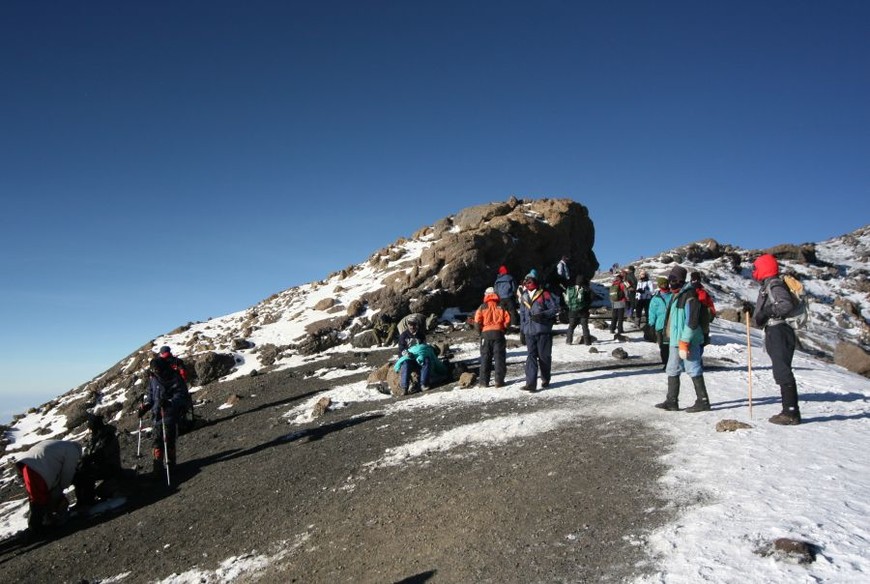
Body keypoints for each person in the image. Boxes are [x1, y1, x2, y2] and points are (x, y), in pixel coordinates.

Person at [751, 254, 802, 425]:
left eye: (756, 268)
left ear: (764, 268)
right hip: (775, 330)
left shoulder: (774, 285)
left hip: (780, 330)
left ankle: (791, 412)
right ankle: (788, 410)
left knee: (782, 370)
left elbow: (785, 304)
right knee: (780, 370)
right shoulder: (769, 285)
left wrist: (766, 312)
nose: (754, 271)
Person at [655, 265, 711, 413]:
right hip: (675, 340)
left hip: (688, 340)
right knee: (672, 368)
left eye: (674, 279)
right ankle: (671, 401)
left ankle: (703, 401)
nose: (671, 282)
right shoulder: (676, 295)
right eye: (670, 279)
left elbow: (692, 322)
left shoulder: (690, 296)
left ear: (681, 280)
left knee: (693, 368)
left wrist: (684, 341)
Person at [138, 347, 191, 479]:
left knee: (168, 440)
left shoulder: (174, 377)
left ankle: (171, 466)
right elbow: (151, 394)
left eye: (156, 370)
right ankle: (157, 469)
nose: (155, 372)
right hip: (157, 413)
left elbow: (181, 394)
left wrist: (169, 402)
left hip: (170, 413)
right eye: (153, 370)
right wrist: (146, 406)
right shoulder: (154, 378)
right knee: (157, 441)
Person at [14, 440, 82, 536]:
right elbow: (68, 473)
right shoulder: (73, 451)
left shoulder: (59, 444)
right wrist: (61, 488)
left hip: (25, 465)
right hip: (37, 471)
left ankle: (42, 522)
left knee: (36, 497)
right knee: (39, 499)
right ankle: (37, 529)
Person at [518, 273, 559, 391]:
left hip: (543, 330)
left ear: (535, 281)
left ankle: (545, 378)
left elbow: (555, 309)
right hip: (529, 331)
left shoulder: (544, 294)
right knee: (531, 356)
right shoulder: (524, 296)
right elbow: (522, 315)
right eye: (526, 282)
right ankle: (530, 383)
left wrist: (543, 315)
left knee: (544, 357)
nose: (527, 283)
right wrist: (522, 330)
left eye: (530, 281)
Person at [73, 413, 123, 507]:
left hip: (111, 466)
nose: (90, 428)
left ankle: (88, 501)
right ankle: (82, 501)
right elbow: (88, 453)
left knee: (86, 473)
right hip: (100, 465)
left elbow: (102, 453)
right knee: (79, 472)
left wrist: (88, 459)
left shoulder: (108, 436)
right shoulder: (95, 437)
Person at [473, 287, 511, 387]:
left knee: (485, 358)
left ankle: (483, 382)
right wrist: (504, 330)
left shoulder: (482, 307)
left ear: (486, 295)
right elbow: (507, 321)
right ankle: (499, 381)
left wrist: (480, 332)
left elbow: (477, 321)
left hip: (485, 334)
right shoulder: (501, 306)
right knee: (499, 358)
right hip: (498, 333)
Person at [395, 317, 429, 392]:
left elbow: (424, 347)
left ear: (416, 325)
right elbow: (401, 349)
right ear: (407, 325)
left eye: (414, 324)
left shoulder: (421, 335)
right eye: (410, 324)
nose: (412, 326)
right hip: (408, 357)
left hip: (419, 357)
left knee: (426, 360)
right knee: (406, 363)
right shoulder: (403, 336)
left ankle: (423, 384)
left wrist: (422, 354)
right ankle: (404, 387)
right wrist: (407, 354)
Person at [647, 276, 673, 368]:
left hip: (671, 325)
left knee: (671, 346)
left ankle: (671, 364)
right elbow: (652, 312)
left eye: (665, 283)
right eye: (662, 284)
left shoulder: (673, 295)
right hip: (660, 325)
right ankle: (666, 363)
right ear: (659, 285)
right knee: (662, 346)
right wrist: (651, 324)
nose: (664, 285)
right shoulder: (655, 298)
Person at [564, 274, 593, 345]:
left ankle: (569, 340)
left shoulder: (570, 289)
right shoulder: (586, 289)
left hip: (572, 311)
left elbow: (566, 300)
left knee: (571, 327)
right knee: (585, 326)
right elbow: (591, 299)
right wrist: (587, 306)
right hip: (583, 311)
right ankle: (587, 341)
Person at [493, 265, 519, 329]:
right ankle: (513, 324)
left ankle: (502, 323)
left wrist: (498, 296)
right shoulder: (510, 278)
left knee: (502, 311)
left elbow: (495, 290)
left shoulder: (497, 280)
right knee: (512, 310)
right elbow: (514, 288)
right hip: (509, 296)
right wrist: (513, 294)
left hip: (501, 298)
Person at [608, 272, 628, 338]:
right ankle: (620, 330)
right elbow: (626, 292)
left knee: (614, 316)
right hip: (621, 302)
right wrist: (627, 298)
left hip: (614, 303)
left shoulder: (613, 284)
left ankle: (612, 329)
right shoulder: (622, 284)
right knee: (620, 317)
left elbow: (610, 294)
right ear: (621, 278)